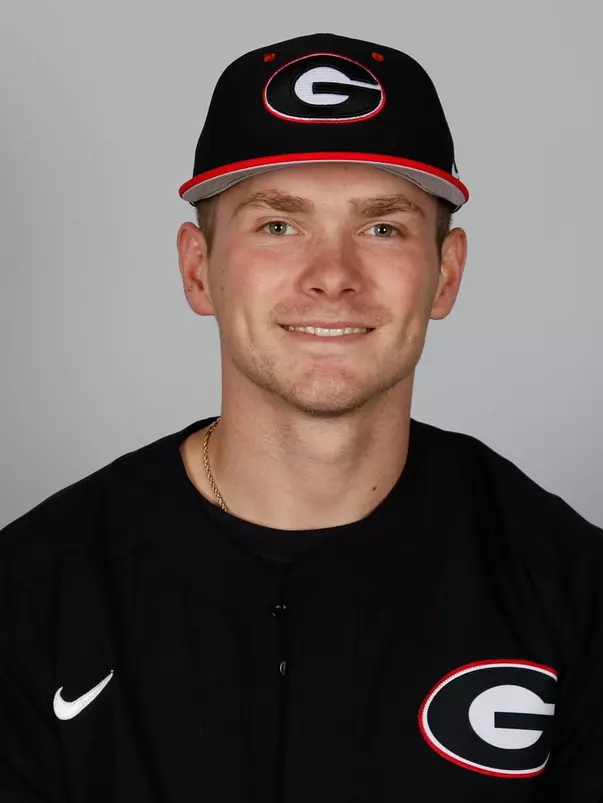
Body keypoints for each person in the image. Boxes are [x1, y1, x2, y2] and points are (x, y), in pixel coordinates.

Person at [1, 31, 602, 803]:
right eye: (278, 226)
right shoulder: (36, 591)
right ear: (197, 268)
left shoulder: (568, 587)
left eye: (381, 227)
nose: (332, 276)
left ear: (445, 274)